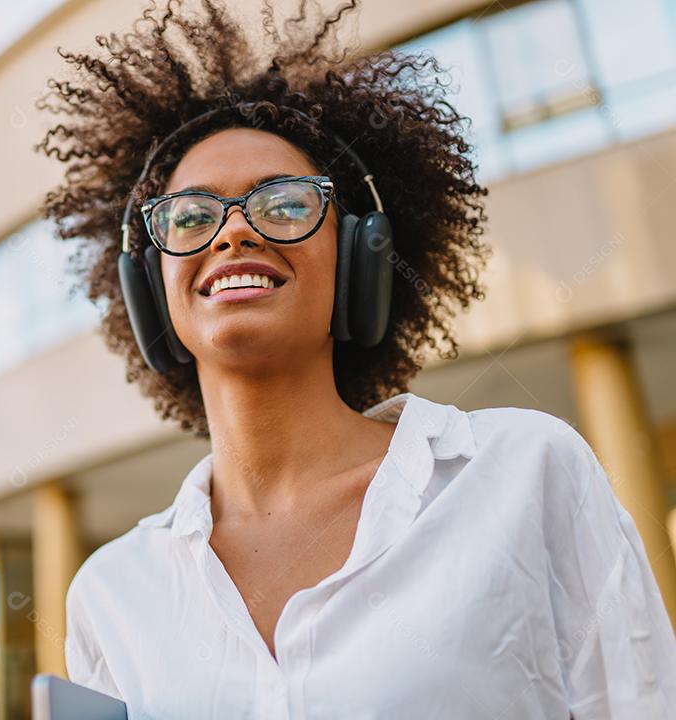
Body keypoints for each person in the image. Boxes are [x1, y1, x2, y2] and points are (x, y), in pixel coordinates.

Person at [33, 1, 676, 717]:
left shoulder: (524, 472)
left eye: (283, 204)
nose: (234, 231)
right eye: (191, 216)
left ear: (360, 258)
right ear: (150, 287)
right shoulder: (112, 593)